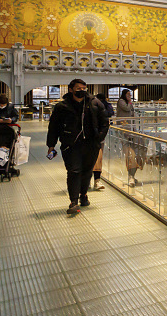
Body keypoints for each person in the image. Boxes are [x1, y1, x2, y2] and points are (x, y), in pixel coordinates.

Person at [46, 79, 109, 215]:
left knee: (87, 172)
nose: (81, 90)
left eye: (84, 88)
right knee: (74, 171)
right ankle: (73, 201)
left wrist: (100, 137)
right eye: (78, 88)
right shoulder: (62, 107)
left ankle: (84, 195)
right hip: (70, 145)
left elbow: (105, 122)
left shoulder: (94, 103)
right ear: (71, 89)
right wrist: (51, 145)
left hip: (91, 144)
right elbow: (53, 127)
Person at [116, 89, 142, 187]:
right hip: (124, 129)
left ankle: (132, 175)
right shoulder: (121, 102)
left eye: (130, 94)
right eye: (128, 94)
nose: (129, 96)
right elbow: (127, 108)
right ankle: (130, 176)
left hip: (130, 129)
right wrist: (130, 102)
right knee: (130, 153)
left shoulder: (128, 102)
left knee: (134, 153)